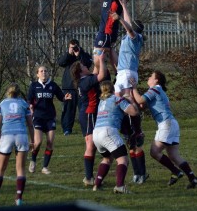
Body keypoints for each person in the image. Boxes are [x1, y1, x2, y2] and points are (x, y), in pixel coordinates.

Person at [131, 70, 197, 189]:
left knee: (154, 152)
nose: (148, 78)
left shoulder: (154, 89)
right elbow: (142, 106)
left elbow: (140, 100)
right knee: (174, 156)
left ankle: (176, 172)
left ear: (156, 80)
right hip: (172, 123)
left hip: (166, 124)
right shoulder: (158, 91)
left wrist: (133, 88)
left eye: (151, 76)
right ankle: (192, 178)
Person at [110, 0, 147, 184]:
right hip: (123, 73)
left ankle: (136, 129)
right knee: (120, 99)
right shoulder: (129, 36)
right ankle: (130, 129)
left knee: (123, 99)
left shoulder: (135, 38)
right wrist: (124, 5)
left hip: (127, 73)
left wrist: (120, 20)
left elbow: (129, 27)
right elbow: (129, 22)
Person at [0, 83, 34, 206]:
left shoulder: (2, 104)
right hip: (21, 135)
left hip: (7, 135)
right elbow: (30, 124)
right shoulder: (24, 104)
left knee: (0, 168)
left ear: (7, 92)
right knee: (20, 169)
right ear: (19, 93)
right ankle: (19, 198)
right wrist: (32, 140)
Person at [92, 80, 139, 194]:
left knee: (107, 158)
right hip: (108, 131)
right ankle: (119, 186)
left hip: (96, 133)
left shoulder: (102, 102)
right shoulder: (117, 99)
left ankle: (96, 185)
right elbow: (134, 112)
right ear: (113, 89)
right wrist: (131, 101)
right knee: (123, 159)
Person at [26, 65, 72, 175]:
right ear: (37, 74)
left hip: (50, 117)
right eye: (41, 71)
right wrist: (30, 106)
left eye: (45, 71)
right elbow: (29, 100)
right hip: (38, 117)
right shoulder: (34, 86)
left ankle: (45, 167)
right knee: (38, 142)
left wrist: (65, 98)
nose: (44, 73)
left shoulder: (53, 85)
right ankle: (33, 160)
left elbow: (61, 97)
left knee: (50, 142)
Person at [71, 50, 107, 186]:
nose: (86, 66)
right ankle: (88, 177)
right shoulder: (85, 81)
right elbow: (101, 75)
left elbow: (95, 72)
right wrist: (102, 60)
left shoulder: (84, 79)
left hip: (87, 114)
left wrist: (97, 59)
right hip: (89, 113)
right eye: (83, 67)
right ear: (80, 72)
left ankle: (89, 177)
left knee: (91, 144)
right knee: (90, 144)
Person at [92, 0, 129, 74]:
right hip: (104, 32)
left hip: (107, 33)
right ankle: (120, 80)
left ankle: (117, 81)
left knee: (97, 62)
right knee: (98, 65)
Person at [57, 39, 93, 135]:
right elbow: (60, 63)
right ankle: (67, 129)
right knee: (68, 109)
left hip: (82, 86)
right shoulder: (68, 57)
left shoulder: (84, 55)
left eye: (75, 47)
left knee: (83, 108)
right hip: (69, 86)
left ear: (79, 46)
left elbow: (88, 63)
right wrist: (69, 53)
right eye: (72, 47)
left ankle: (85, 129)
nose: (74, 49)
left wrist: (79, 54)